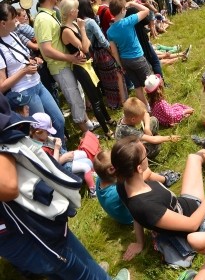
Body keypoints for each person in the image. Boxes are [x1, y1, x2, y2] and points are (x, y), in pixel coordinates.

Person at [0, 93, 130, 280]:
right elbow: (7, 186)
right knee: (65, 264)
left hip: (37, 215)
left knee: (67, 256)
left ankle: (96, 272)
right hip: (25, 227)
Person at [111, 137, 205, 262]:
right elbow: (192, 225)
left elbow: (134, 214)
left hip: (186, 202)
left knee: (194, 158)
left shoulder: (123, 184)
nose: (148, 155)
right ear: (138, 168)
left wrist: (139, 242)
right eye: (146, 153)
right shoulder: (145, 206)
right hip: (203, 222)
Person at [34, 0, 97, 133]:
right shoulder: (42, 19)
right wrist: (71, 58)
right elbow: (46, 50)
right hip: (60, 66)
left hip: (65, 64)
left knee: (78, 94)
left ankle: (87, 123)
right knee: (74, 98)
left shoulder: (50, 15)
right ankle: (85, 132)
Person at [0, 3, 65, 136]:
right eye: (13, 18)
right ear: (3, 23)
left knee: (58, 121)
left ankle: (61, 151)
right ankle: (58, 154)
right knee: (42, 130)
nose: (17, 21)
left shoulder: (13, 35)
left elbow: (22, 59)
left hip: (38, 84)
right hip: (25, 93)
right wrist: (24, 71)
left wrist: (33, 60)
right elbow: (2, 86)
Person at [60, 0, 115, 138]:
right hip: (81, 68)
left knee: (98, 93)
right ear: (72, 12)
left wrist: (83, 38)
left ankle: (108, 119)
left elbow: (87, 45)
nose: (78, 11)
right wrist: (83, 30)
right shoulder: (66, 30)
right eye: (76, 9)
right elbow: (85, 47)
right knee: (95, 99)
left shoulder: (73, 25)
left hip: (87, 64)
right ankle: (107, 131)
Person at [93, 149, 180, 225]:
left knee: (138, 175)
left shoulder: (100, 179)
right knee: (144, 175)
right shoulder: (118, 189)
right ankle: (166, 179)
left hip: (121, 214)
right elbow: (146, 172)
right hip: (130, 217)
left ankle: (160, 177)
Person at [30, 112, 97, 196]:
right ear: (37, 132)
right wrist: (57, 148)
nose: (49, 134)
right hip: (61, 167)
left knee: (84, 155)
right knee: (86, 166)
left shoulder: (40, 137)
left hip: (62, 157)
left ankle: (93, 176)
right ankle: (93, 191)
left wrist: (54, 139)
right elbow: (53, 165)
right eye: (47, 132)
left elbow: (49, 138)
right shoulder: (40, 150)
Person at [77, 0, 127, 109]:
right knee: (116, 75)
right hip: (104, 53)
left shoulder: (78, 22)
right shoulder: (90, 22)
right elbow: (102, 40)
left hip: (94, 54)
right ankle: (121, 101)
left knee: (106, 80)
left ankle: (112, 102)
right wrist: (113, 53)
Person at [107, 0, 152, 109]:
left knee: (137, 87)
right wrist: (132, 3)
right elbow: (146, 11)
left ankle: (146, 108)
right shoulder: (129, 21)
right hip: (137, 58)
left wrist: (119, 65)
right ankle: (158, 106)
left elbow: (114, 51)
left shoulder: (110, 31)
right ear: (122, 10)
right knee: (150, 83)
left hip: (125, 60)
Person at [114, 96, 181, 159]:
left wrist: (147, 128)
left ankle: (153, 136)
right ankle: (144, 158)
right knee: (155, 147)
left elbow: (146, 114)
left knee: (153, 120)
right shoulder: (128, 130)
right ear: (133, 119)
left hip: (134, 141)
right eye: (140, 118)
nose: (142, 119)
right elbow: (153, 140)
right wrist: (169, 138)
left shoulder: (126, 116)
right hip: (131, 153)